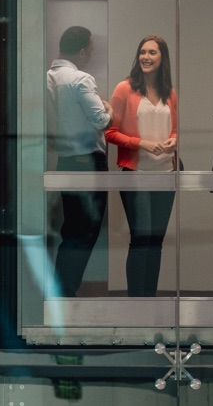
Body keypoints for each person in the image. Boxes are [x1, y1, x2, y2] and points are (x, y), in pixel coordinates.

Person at [105, 35, 178, 297]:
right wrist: (141, 143)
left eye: (152, 53)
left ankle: (149, 301)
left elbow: (176, 131)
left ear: (162, 58)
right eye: (142, 52)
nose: (146, 57)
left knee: (156, 241)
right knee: (141, 238)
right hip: (136, 174)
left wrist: (173, 141)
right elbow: (110, 133)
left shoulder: (170, 93)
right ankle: (136, 303)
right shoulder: (124, 89)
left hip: (166, 175)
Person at [47, 26, 113, 297]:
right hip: (88, 160)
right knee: (85, 231)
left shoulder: (47, 77)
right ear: (83, 50)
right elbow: (101, 120)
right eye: (91, 49)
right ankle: (65, 291)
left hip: (64, 160)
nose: (91, 54)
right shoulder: (80, 79)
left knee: (71, 229)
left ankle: (61, 291)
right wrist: (108, 106)